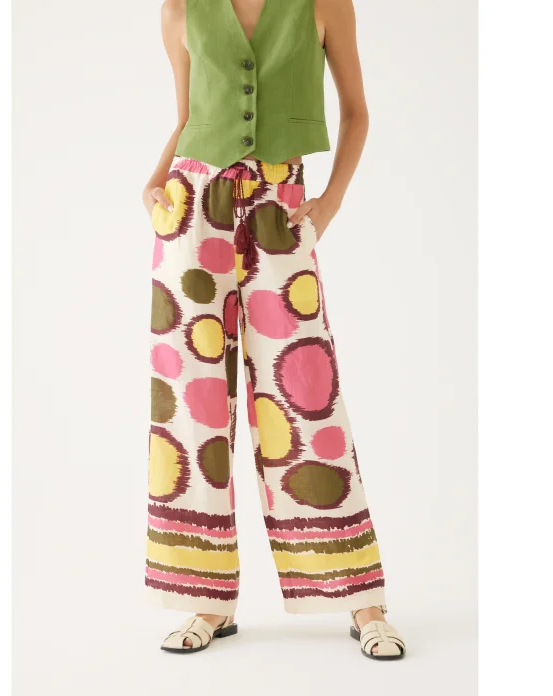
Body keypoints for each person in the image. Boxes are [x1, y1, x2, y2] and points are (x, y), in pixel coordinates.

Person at [143, 0, 406, 659]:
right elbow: (187, 118)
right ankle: (207, 599)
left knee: (306, 394)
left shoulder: (324, 5)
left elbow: (357, 111)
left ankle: (361, 597)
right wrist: (152, 184)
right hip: (190, 213)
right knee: (193, 406)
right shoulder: (179, 8)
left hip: (281, 212)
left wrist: (330, 202)